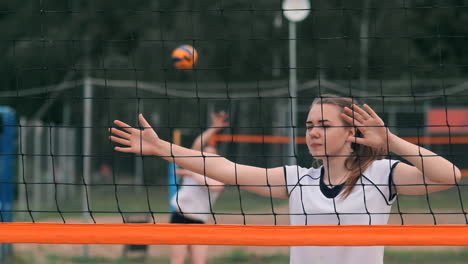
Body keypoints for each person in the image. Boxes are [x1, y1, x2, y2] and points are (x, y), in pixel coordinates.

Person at [109, 94, 462, 264]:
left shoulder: (382, 175)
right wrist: (163, 148)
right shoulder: (298, 180)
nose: (313, 132)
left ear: (352, 132)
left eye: (324, 125)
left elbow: (449, 176)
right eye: (309, 125)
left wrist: (392, 142)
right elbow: (226, 169)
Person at [169, 111, 228, 264]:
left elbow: (216, 187)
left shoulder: (218, 176)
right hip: (179, 217)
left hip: (199, 222)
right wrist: (214, 128)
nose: (206, 157)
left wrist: (192, 174)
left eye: (211, 155)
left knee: (200, 261)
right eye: (204, 155)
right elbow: (197, 143)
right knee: (177, 260)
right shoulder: (194, 166)